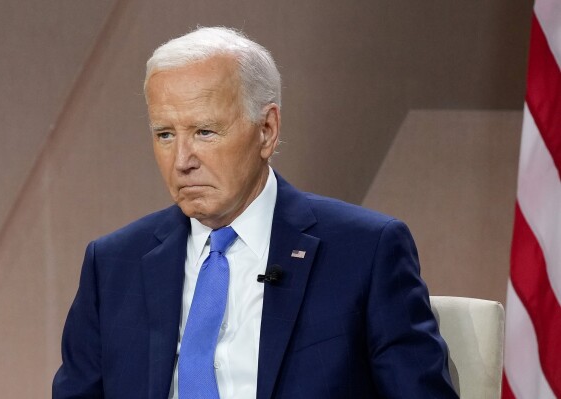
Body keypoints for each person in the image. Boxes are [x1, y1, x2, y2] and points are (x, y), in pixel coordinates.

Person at [53, 26, 458, 399]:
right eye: (165, 135)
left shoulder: (365, 251)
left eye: (204, 132)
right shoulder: (111, 265)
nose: (181, 160)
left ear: (266, 130)